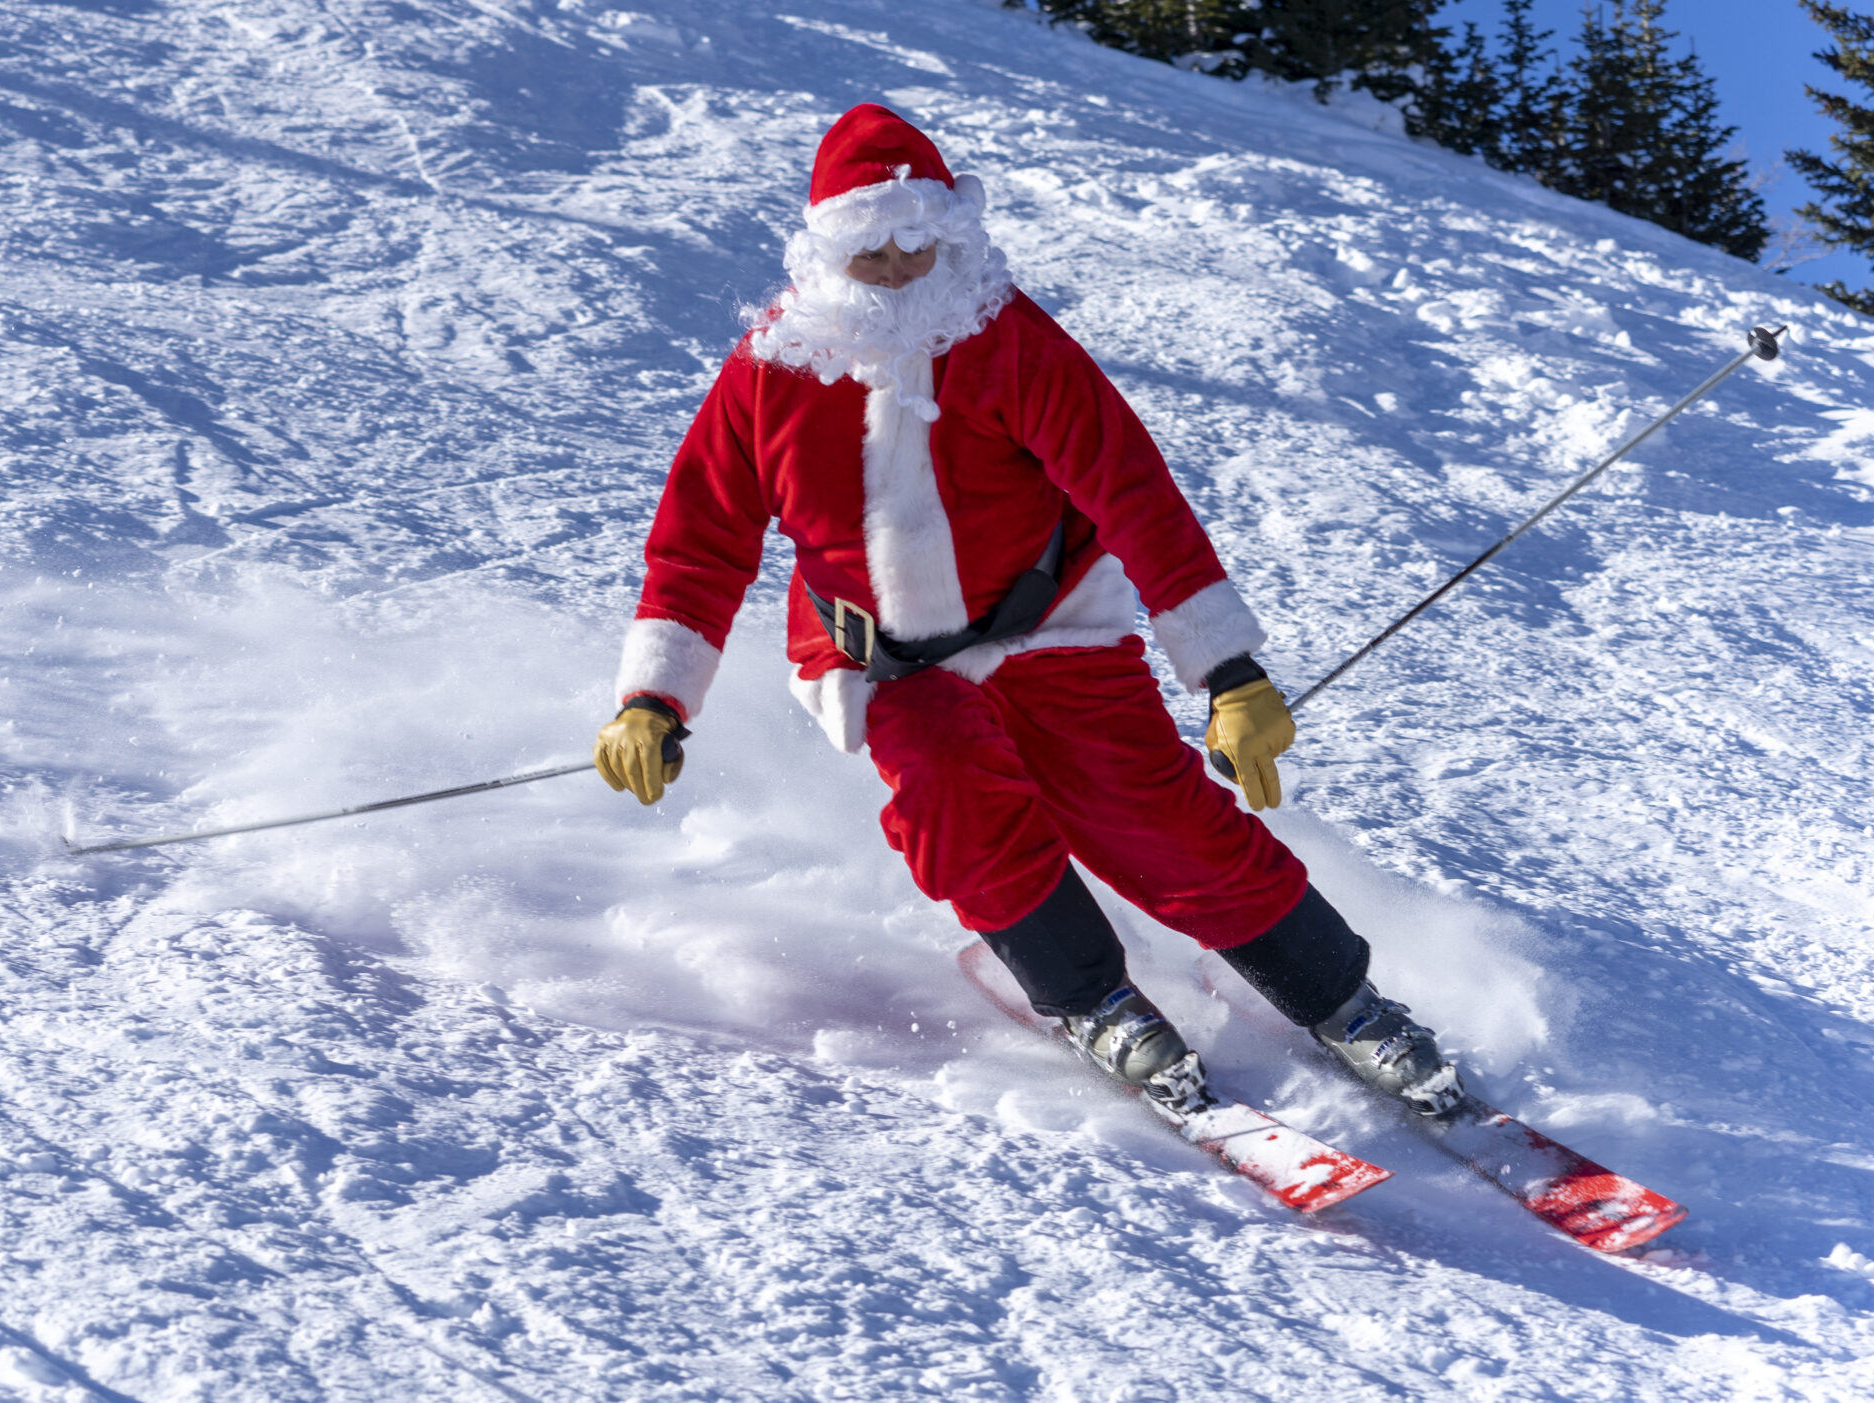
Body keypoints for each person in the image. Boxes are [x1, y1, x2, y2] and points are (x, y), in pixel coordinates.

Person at [592, 103, 1464, 1121]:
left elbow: (1131, 493)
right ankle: (1092, 998)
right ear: (828, 251)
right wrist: (654, 700)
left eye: (921, 238)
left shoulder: (1009, 342)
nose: (898, 264)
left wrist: (1228, 673)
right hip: (886, 664)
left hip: (1053, 628)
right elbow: (702, 539)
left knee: (1153, 818)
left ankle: (1344, 1003)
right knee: (948, 782)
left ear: (953, 235)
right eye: (871, 244)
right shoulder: (768, 376)